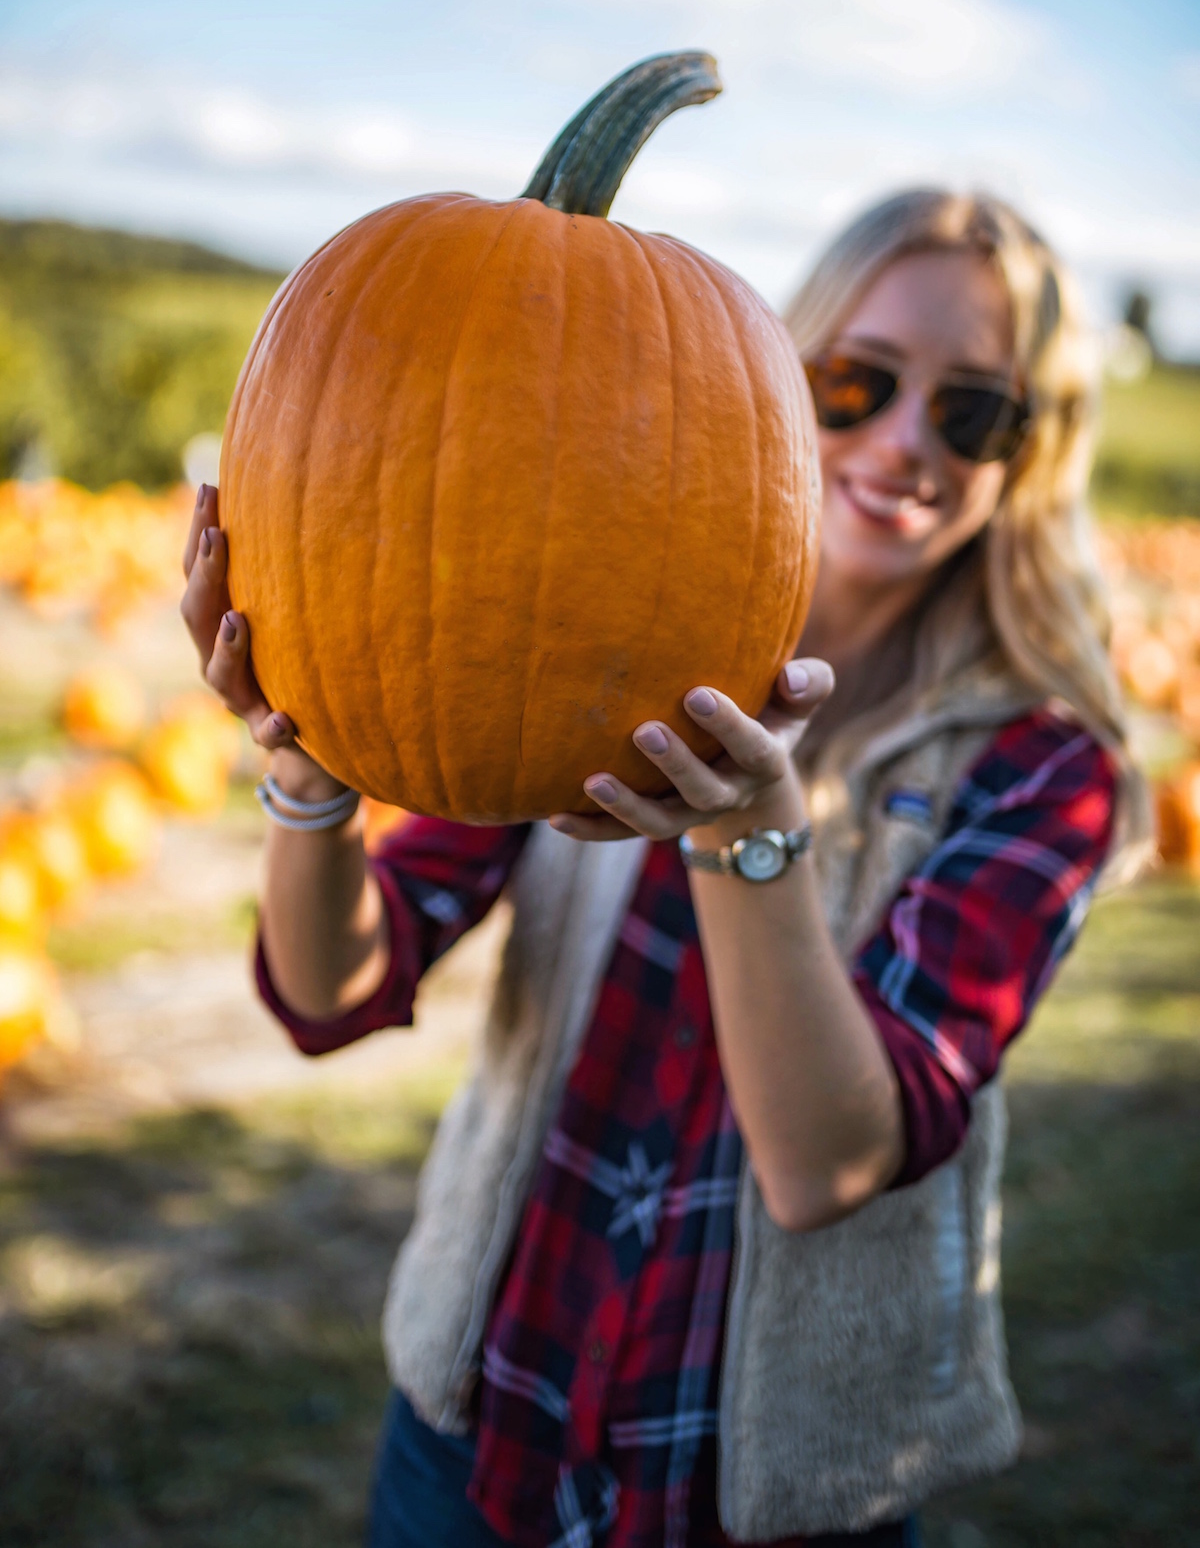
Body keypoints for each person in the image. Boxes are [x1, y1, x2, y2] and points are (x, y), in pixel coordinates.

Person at [181, 189, 1147, 1548]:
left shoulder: (1047, 770)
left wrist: (741, 834)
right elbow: (334, 987)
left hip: (776, 1493)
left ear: (1027, 458)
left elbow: (835, 1159)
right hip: (482, 1438)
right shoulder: (599, 630)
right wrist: (309, 769)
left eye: (973, 411)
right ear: (778, 379)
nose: (903, 442)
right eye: (856, 383)